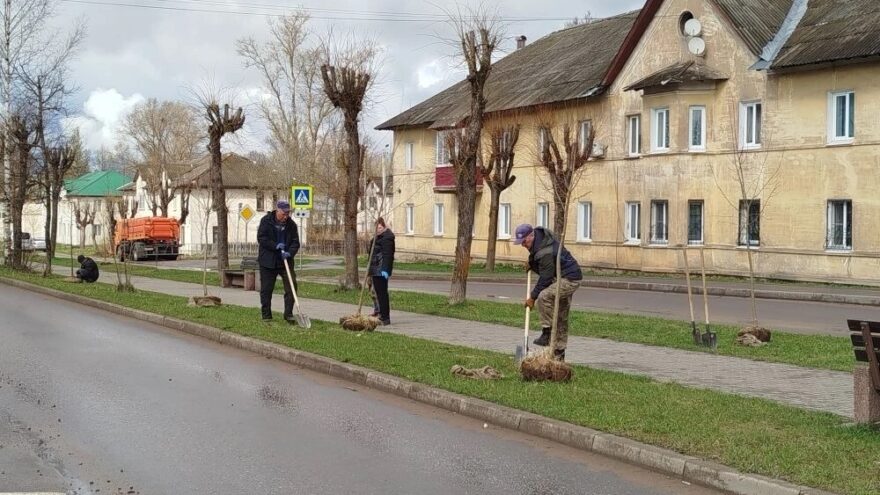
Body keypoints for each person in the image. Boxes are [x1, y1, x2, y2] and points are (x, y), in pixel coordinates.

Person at [513, 223, 582, 361]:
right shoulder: (539, 242)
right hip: (559, 277)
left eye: (524, 241)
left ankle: (547, 332)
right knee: (560, 316)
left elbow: (546, 277)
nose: (523, 245)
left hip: (569, 279)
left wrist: (532, 297)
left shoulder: (545, 250)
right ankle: (559, 354)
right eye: (521, 242)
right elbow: (540, 261)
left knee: (544, 297)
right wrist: (532, 264)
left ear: (531, 236)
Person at [257, 200, 300, 323]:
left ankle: (288, 314)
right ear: (278, 210)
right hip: (268, 261)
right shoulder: (266, 221)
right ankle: (266, 315)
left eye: (288, 214)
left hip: (285, 261)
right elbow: (262, 238)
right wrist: (275, 245)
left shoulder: (291, 225)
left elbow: (295, 242)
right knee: (266, 289)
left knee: (291, 287)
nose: (286, 216)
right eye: (284, 214)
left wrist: (290, 253)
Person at [368, 217, 395, 325]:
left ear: (384, 227)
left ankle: (385, 317)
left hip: (381, 270)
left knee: (382, 294)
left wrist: (385, 269)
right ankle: (380, 313)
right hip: (375, 269)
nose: (378, 229)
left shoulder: (387, 238)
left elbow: (388, 255)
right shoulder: (377, 238)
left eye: (380, 227)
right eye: (376, 228)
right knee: (378, 293)